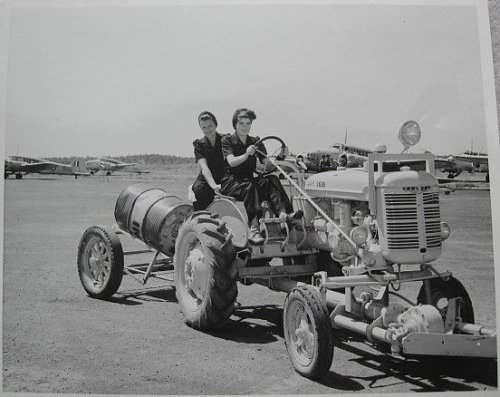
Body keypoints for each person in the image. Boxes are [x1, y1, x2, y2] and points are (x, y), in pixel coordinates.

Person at [220, 108, 302, 245]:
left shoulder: (255, 141)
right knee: (250, 187)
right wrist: (247, 155)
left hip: (248, 179)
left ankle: (283, 216)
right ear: (235, 124)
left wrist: (281, 156)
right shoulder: (227, 140)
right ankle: (254, 229)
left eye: (248, 123)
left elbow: (267, 166)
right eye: (241, 123)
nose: (245, 127)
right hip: (231, 181)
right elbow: (231, 162)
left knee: (272, 180)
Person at [191, 111, 225, 211]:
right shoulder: (199, 144)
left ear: (215, 125)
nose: (207, 130)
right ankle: (201, 217)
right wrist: (214, 185)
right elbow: (204, 167)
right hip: (206, 178)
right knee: (199, 189)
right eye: (204, 128)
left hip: (223, 175)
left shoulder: (226, 139)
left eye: (210, 126)